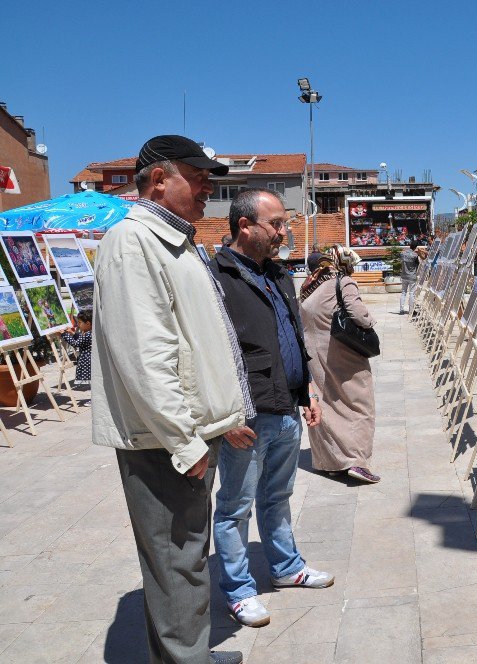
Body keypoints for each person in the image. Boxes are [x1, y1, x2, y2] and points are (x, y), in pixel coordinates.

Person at [91, 135, 253, 664]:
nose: (209, 186)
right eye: (197, 175)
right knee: (176, 559)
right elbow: (146, 358)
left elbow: (195, 344)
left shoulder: (173, 241)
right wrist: (186, 441)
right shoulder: (133, 242)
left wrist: (221, 418)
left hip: (177, 434)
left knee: (184, 557)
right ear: (159, 179)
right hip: (160, 440)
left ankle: (190, 655)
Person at [210, 189, 331, 629]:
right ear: (246, 225)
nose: (285, 231)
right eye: (277, 223)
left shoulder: (279, 274)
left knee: (278, 496)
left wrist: (308, 392)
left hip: (286, 406)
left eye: (285, 223)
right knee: (235, 505)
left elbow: (292, 338)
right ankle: (239, 591)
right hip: (247, 415)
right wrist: (226, 417)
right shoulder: (216, 276)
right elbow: (208, 351)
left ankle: (285, 568)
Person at [299, 246, 380, 483]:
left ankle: (330, 463)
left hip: (314, 354)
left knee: (326, 404)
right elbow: (358, 313)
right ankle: (357, 461)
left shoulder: (308, 287)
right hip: (342, 352)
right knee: (360, 404)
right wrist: (370, 321)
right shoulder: (343, 281)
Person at [61, 309, 92, 388]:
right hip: (88, 359)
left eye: (80, 322)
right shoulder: (89, 332)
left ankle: (94, 399)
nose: (78, 325)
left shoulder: (88, 334)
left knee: (92, 382)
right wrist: (73, 333)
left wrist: (64, 334)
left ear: (88, 323)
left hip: (87, 361)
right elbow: (81, 340)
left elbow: (76, 343)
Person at [399, 239, 421, 314]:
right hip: (412, 276)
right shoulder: (415, 255)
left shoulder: (402, 253)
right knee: (412, 293)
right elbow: (417, 264)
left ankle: (401, 310)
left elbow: (400, 257)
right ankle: (411, 311)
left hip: (404, 275)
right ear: (415, 247)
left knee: (403, 292)